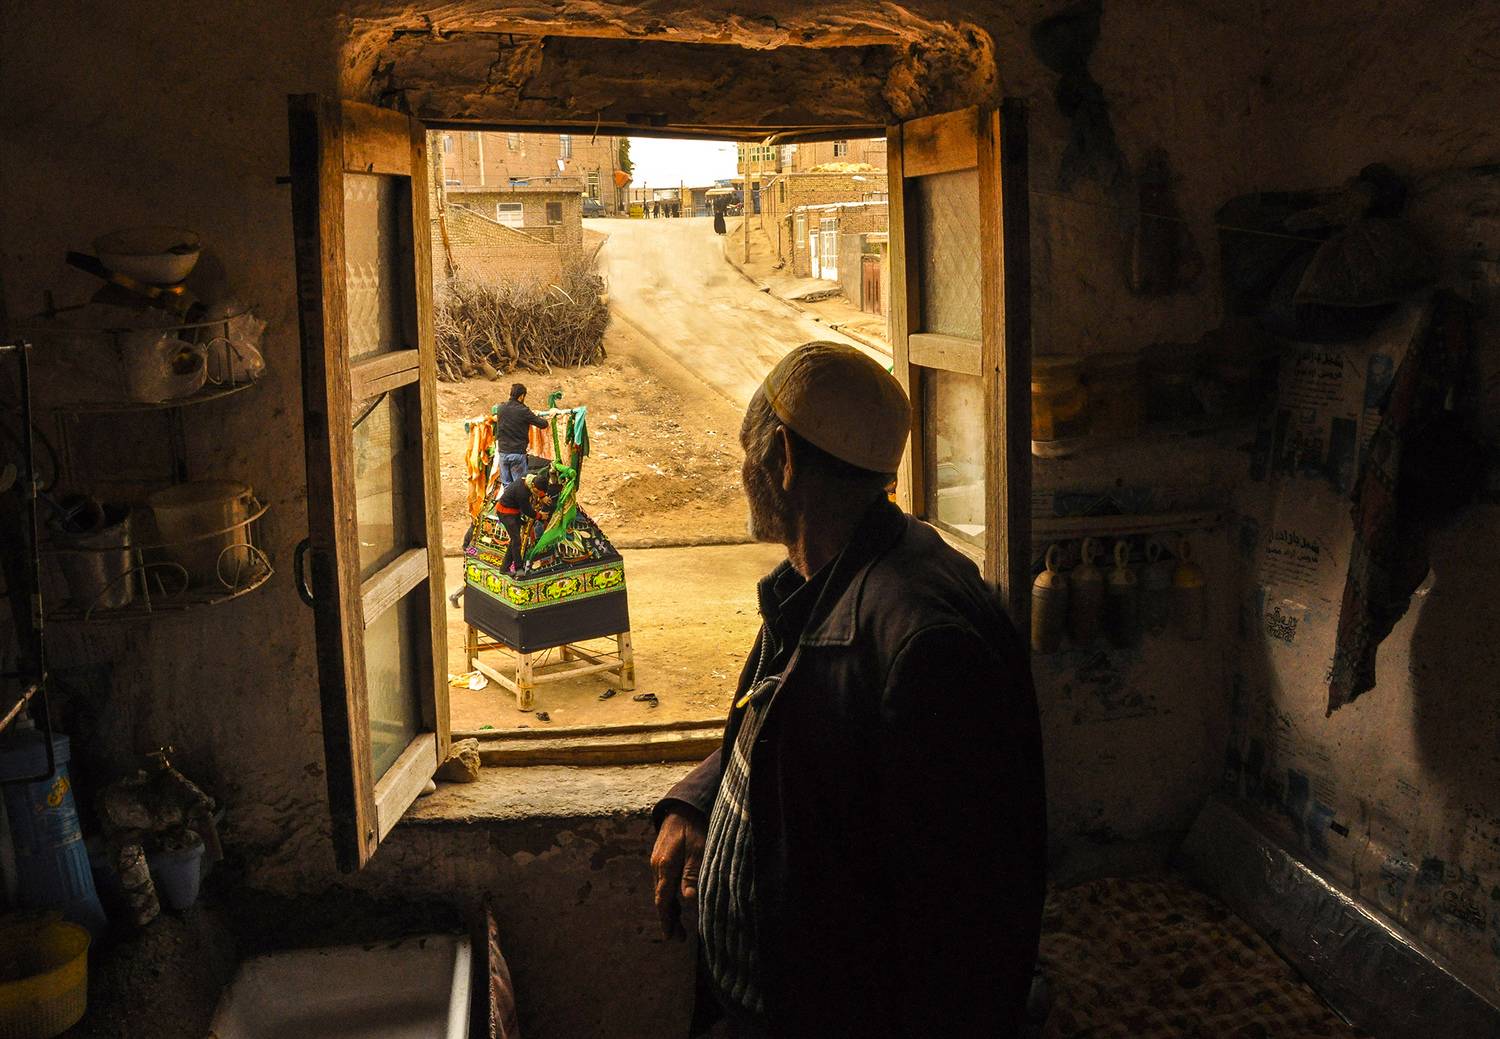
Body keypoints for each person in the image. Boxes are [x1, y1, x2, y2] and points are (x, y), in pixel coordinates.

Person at [650, 342, 1046, 1039]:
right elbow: (794, 723)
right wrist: (697, 798)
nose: (744, 472)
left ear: (782, 460)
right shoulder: (828, 579)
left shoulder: (923, 644)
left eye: (748, 454)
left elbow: (962, 923)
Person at [495, 468, 557, 574]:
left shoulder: (530, 477)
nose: (537, 494)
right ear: (532, 485)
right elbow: (527, 511)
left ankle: (504, 568)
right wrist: (540, 516)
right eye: (536, 492)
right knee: (516, 541)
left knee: (514, 541)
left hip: (514, 512)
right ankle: (518, 568)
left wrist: (542, 496)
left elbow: (539, 490)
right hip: (506, 513)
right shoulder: (522, 492)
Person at [495, 382, 547, 486]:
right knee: (520, 486)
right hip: (517, 454)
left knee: (507, 486)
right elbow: (543, 424)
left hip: (503, 453)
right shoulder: (523, 411)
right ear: (522, 396)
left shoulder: (500, 408)